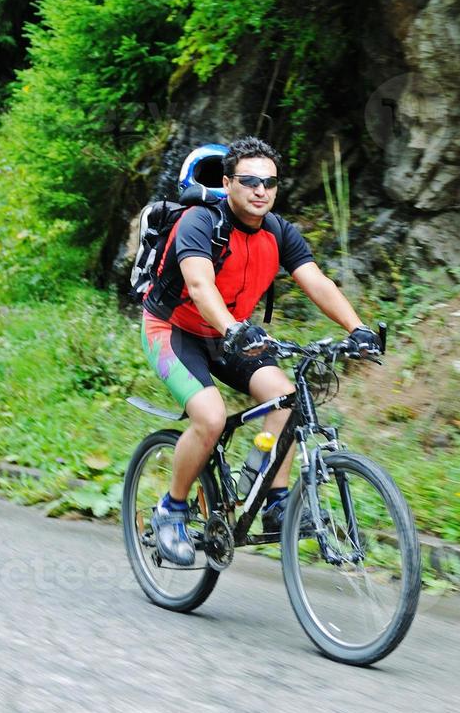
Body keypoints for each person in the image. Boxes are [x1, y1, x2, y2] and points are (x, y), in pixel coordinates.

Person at [140, 136, 380, 566]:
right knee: (210, 417)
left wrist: (357, 328)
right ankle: (170, 511)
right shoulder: (199, 222)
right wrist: (233, 328)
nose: (260, 190)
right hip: (173, 330)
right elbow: (199, 285)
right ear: (228, 182)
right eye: (249, 180)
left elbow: (317, 281)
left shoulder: (278, 231)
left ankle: (276, 499)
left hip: (231, 334)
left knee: (286, 399)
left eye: (269, 182)